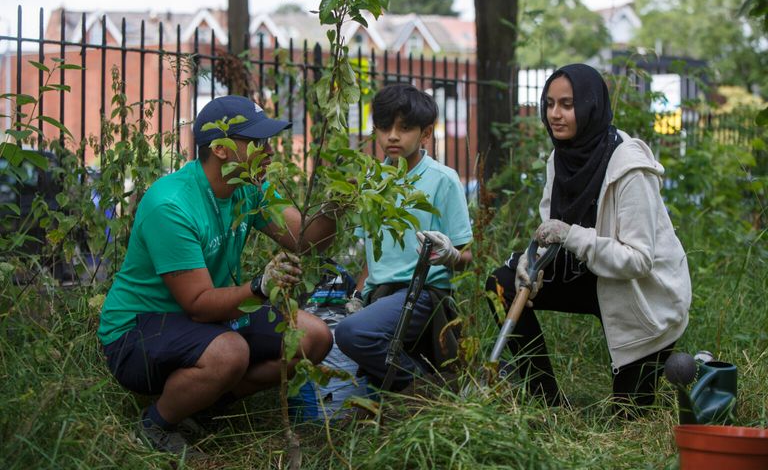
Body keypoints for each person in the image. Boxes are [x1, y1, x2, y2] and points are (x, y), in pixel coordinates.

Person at [97, 95, 335, 457]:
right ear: (222, 149)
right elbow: (198, 306)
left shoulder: (250, 188)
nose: (269, 151)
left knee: (314, 338)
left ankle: (203, 406)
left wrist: (340, 203)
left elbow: (302, 240)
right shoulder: (171, 205)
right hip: (137, 330)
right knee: (229, 353)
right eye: (257, 143)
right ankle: (156, 425)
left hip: (209, 315)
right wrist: (259, 286)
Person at [486, 64, 691, 415]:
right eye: (549, 103)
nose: (555, 114)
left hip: (640, 298)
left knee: (628, 420)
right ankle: (546, 400)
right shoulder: (560, 158)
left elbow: (639, 260)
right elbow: (551, 228)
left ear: (590, 105)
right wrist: (529, 262)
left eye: (567, 104)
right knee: (501, 284)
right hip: (589, 274)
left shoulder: (628, 168)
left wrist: (571, 235)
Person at [335, 84, 473, 391]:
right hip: (380, 294)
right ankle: (422, 392)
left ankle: (426, 391)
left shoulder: (443, 179)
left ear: (425, 134)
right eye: (384, 128)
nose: (393, 136)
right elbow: (374, 256)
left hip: (423, 292)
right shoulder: (373, 180)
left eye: (405, 128)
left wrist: (450, 254)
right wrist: (358, 296)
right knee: (349, 330)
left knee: (351, 334)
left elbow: (467, 256)